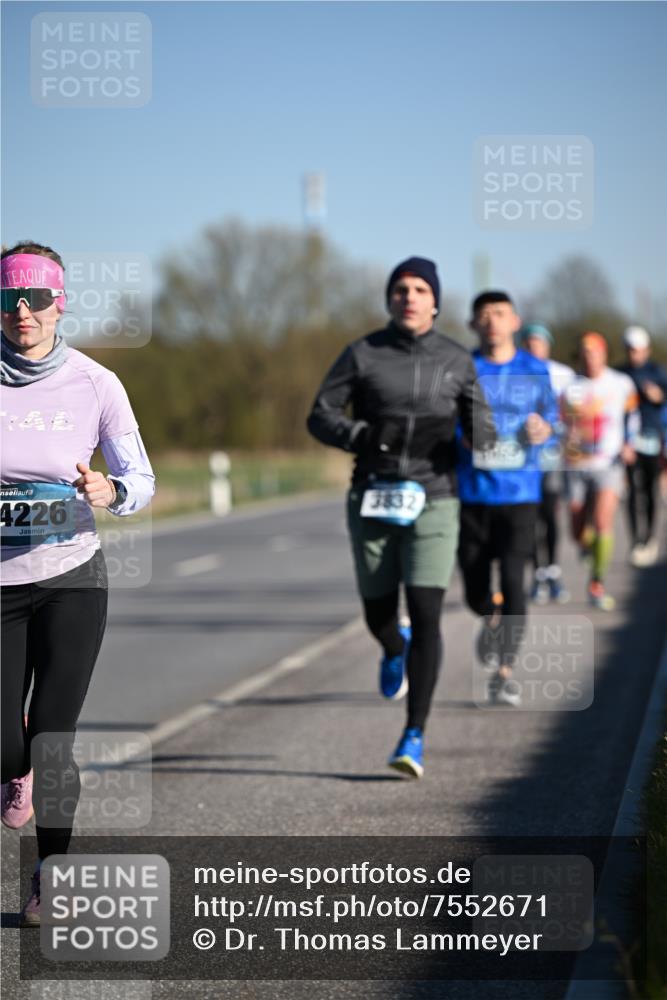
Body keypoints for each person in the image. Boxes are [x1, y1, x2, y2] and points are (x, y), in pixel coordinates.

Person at [0, 242, 155, 926]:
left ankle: (48, 877)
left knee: (54, 738)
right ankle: (17, 766)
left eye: (34, 298)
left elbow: (141, 480)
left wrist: (109, 487)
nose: (22, 312)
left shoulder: (97, 384)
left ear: (60, 302)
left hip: (71, 580)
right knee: (10, 741)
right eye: (9, 299)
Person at [307, 257, 494, 778]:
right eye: (399, 289)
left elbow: (485, 431)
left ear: (434, 301)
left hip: (436, 498)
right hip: (373, 494)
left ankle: (414, 735)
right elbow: (319, 415)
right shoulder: (363, 353)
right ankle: (393, 646)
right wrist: (362, 436)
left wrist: (479, 437)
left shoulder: (458, 361)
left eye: (418, 290)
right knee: (379, 613)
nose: (408, 297)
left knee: (429, 611)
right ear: (389, 300)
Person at [457, 292, 557, 707]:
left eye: (499, 314)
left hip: (520, 494)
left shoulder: (535, 370)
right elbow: (444, 419)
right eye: (483, 316)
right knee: (474, 591)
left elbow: (553, 418)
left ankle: (505, 673)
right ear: (473, 325)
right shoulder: (462, 368)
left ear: (515, 321)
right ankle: (490, 614)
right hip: (473, 493)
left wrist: (543, 429)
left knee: (515, 581)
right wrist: (464, 437)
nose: (492, 322)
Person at [560, 331, 639, 610]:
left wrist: (630, 443)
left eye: (595, 352)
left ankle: (597, 583)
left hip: (609, 462)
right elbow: (559, 421)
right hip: (576, 463)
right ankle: (586, 544)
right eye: (585, 353)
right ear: (580, 356)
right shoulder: (570, 386)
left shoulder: (620, 383)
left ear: (604, 354)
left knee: (604, 521)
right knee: (577, 528)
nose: (590, 358)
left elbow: (632, 416)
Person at [520, 323, 575, 604]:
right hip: (522, 457)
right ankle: (538, 574)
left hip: (552, 454)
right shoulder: (514, 371)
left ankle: (553, 569)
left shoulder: (563, 375)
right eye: (529, 342)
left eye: (539, 342)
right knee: (529, 516)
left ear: (548, 345)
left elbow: (574, 415)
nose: (534, 347)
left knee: (551, 514)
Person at [619, 325, 667, 566]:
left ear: (646, 349)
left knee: (649, 490)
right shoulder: (620, 373)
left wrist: (658, 396)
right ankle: (635, 540)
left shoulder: (658, 373)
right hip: (627, 441)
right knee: (630, 493)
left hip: (651, 438)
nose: (633, 355)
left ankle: (649, 537)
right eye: (629, 350)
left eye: (637, 350)